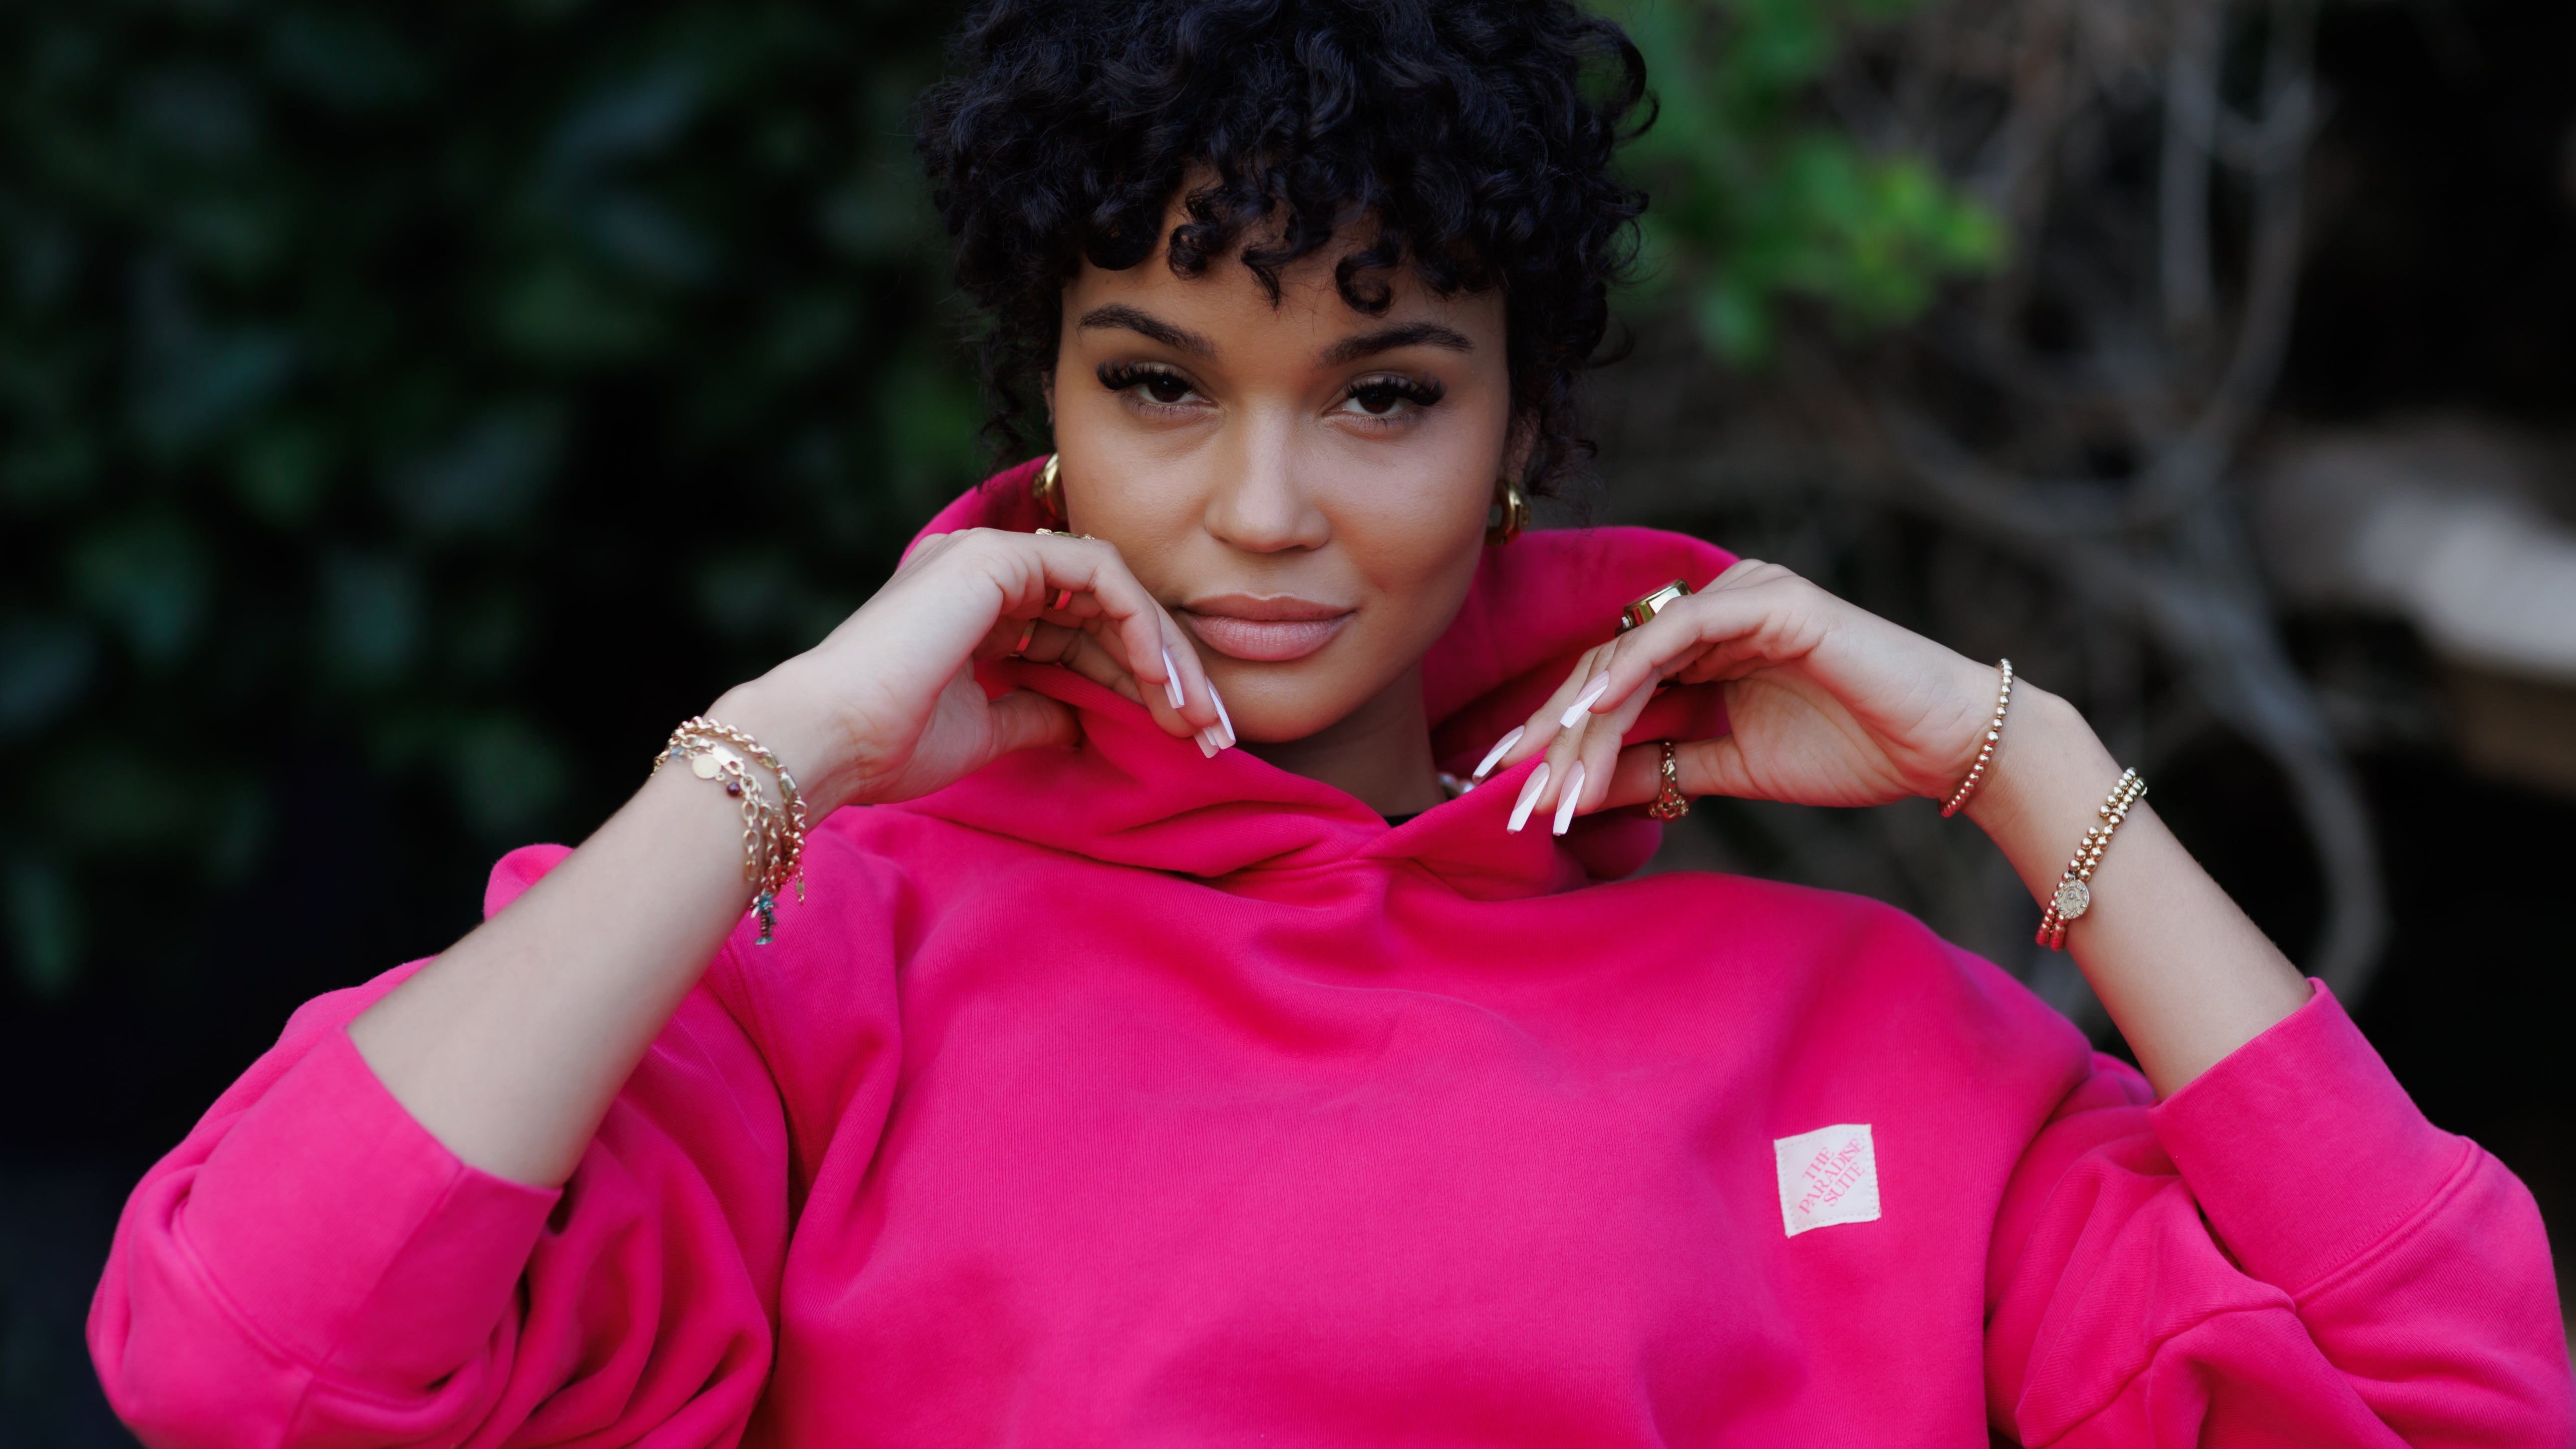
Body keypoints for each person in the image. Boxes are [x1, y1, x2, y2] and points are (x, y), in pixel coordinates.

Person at [88, 1, 2571, 1444]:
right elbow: (251, 1360)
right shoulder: (813, 972)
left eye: (1380, 393)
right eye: (1160, 383)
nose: (1260, 509)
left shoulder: (1865, 1045)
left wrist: (2021, 770)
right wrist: (782, 747)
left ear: (1520, 435)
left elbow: (2451, 1395)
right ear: (1049, 415)